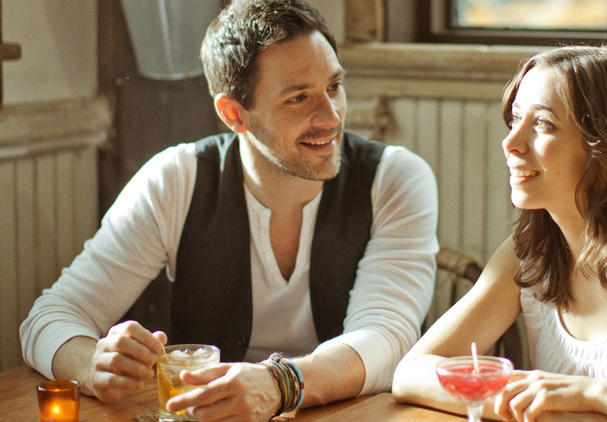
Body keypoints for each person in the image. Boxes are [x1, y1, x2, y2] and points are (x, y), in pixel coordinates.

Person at [20, 0, 438, 420]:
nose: (330, 116)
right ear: (234, 114)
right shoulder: (175, 180)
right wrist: (90, 364)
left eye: (334, 86)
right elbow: (51, 316)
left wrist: (278, 385)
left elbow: (388, 339)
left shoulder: (394, 178)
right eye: (298, 98)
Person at [391, 45, 607, 422]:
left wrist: (593, 394)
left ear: (606, 147)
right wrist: (531, 404)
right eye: (515, 119)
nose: (511, 142)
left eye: (543, 124)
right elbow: (411, 374)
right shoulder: (528, 254)